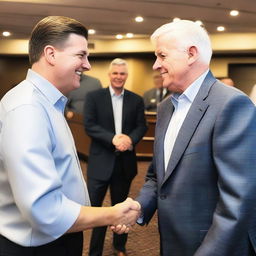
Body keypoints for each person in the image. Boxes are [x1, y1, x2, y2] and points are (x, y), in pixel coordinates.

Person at [0, 16, 140, 256]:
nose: (87, 65)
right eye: (81, 55)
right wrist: (113, 213)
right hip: (39, 246)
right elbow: (44, 210)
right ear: (51, 54)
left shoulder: (47, 103)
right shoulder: (28, 109)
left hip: (55, 238)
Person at [135, 20, 256, 255]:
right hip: (171, 243)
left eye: (162, 55)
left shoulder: (231, 103)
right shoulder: (165, 107)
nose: (155, 65)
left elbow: (238, 200)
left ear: (191, 54)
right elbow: (158, 175)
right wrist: (139, 207)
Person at [84, 58, 147, 256]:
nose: (118, 77)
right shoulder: (94, 97)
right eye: (115, 73)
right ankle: (94, 251)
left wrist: (130, 139)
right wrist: (113, 139)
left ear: (126, 76)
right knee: (96, 212)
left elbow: (141, 126)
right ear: (109, 75)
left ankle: (119, 247)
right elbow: (90, 125)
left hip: (124, 164)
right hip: (100, 163)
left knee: (122, 210)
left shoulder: (136, 100)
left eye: (122, 73)